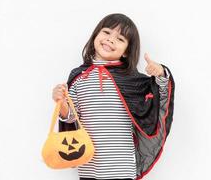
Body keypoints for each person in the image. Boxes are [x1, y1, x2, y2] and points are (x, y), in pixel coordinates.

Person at [52, 13, 175, 180]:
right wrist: (62, 104)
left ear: (126, 52)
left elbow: (161, 96)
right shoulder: (79, 77)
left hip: (121, 167)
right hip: (89, 166)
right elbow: (72, 119)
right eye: (107, 32)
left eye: (120, 39)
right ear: (96, 35)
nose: (110, 39)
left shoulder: (132, 81)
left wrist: (160, 73)